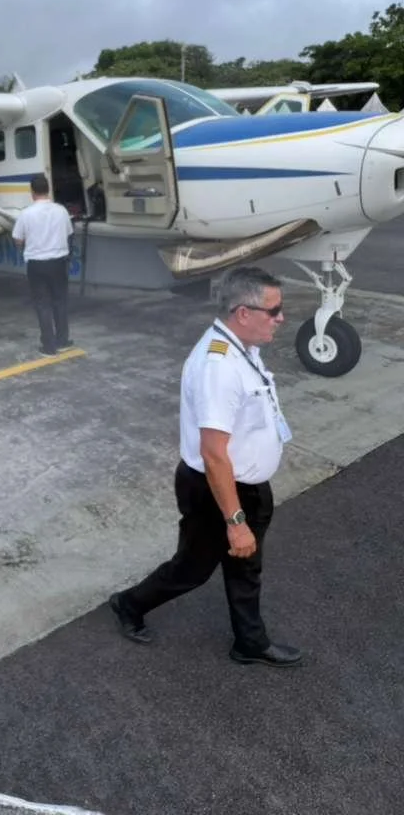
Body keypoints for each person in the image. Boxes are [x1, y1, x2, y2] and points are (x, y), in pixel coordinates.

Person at [108, 266, 302, 667]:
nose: (281, 318)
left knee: (246, 567)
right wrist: (236, 521)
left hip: (244, 485)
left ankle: (249, 642)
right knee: (192, 570)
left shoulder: (244, 346)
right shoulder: (219, 367)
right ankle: (128, 604)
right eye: (274, 310)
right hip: (218, 489)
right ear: (242, 313)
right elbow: (214, 453)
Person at [12, 174, 74, 357]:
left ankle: (48, 346)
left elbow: (17, 239)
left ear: (32, 192)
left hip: (37, 264)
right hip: (58, 262)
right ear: (48, 189)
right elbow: (69, 233)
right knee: (60, 302)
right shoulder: (61, 210)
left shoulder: (26, 213)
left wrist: (24, 245)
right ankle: (63, 341)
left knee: (42, 304)